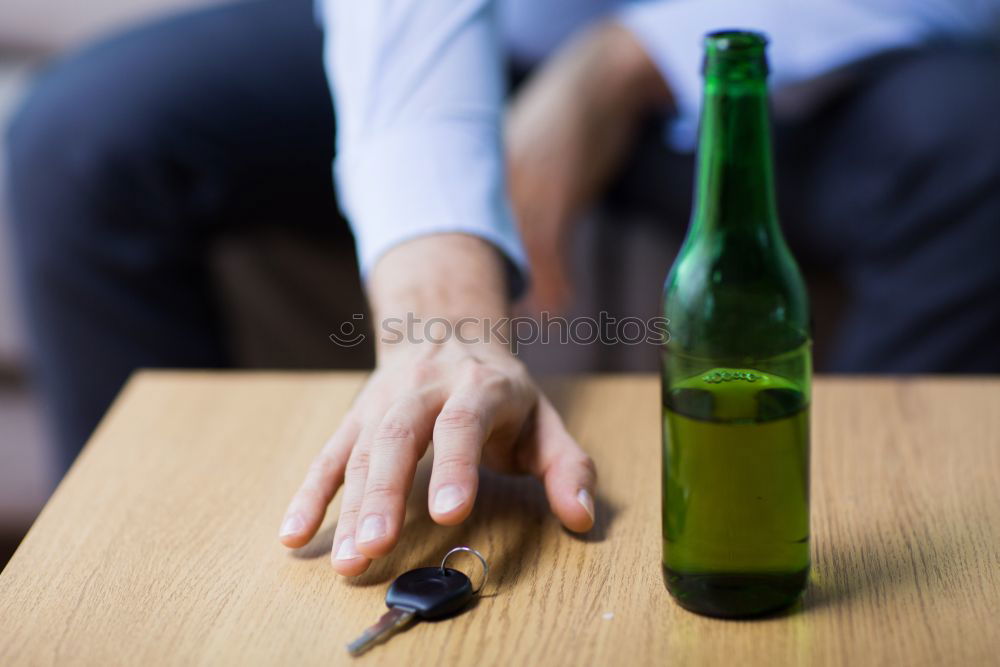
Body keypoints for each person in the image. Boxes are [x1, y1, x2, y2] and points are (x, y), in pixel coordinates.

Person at [6, 0, 1000, 576]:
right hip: (487, 30)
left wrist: (622, 65)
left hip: (766, 44)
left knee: (980, 143)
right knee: (81, 140)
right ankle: (136, 585)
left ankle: (854, 570)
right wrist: (444, 327)